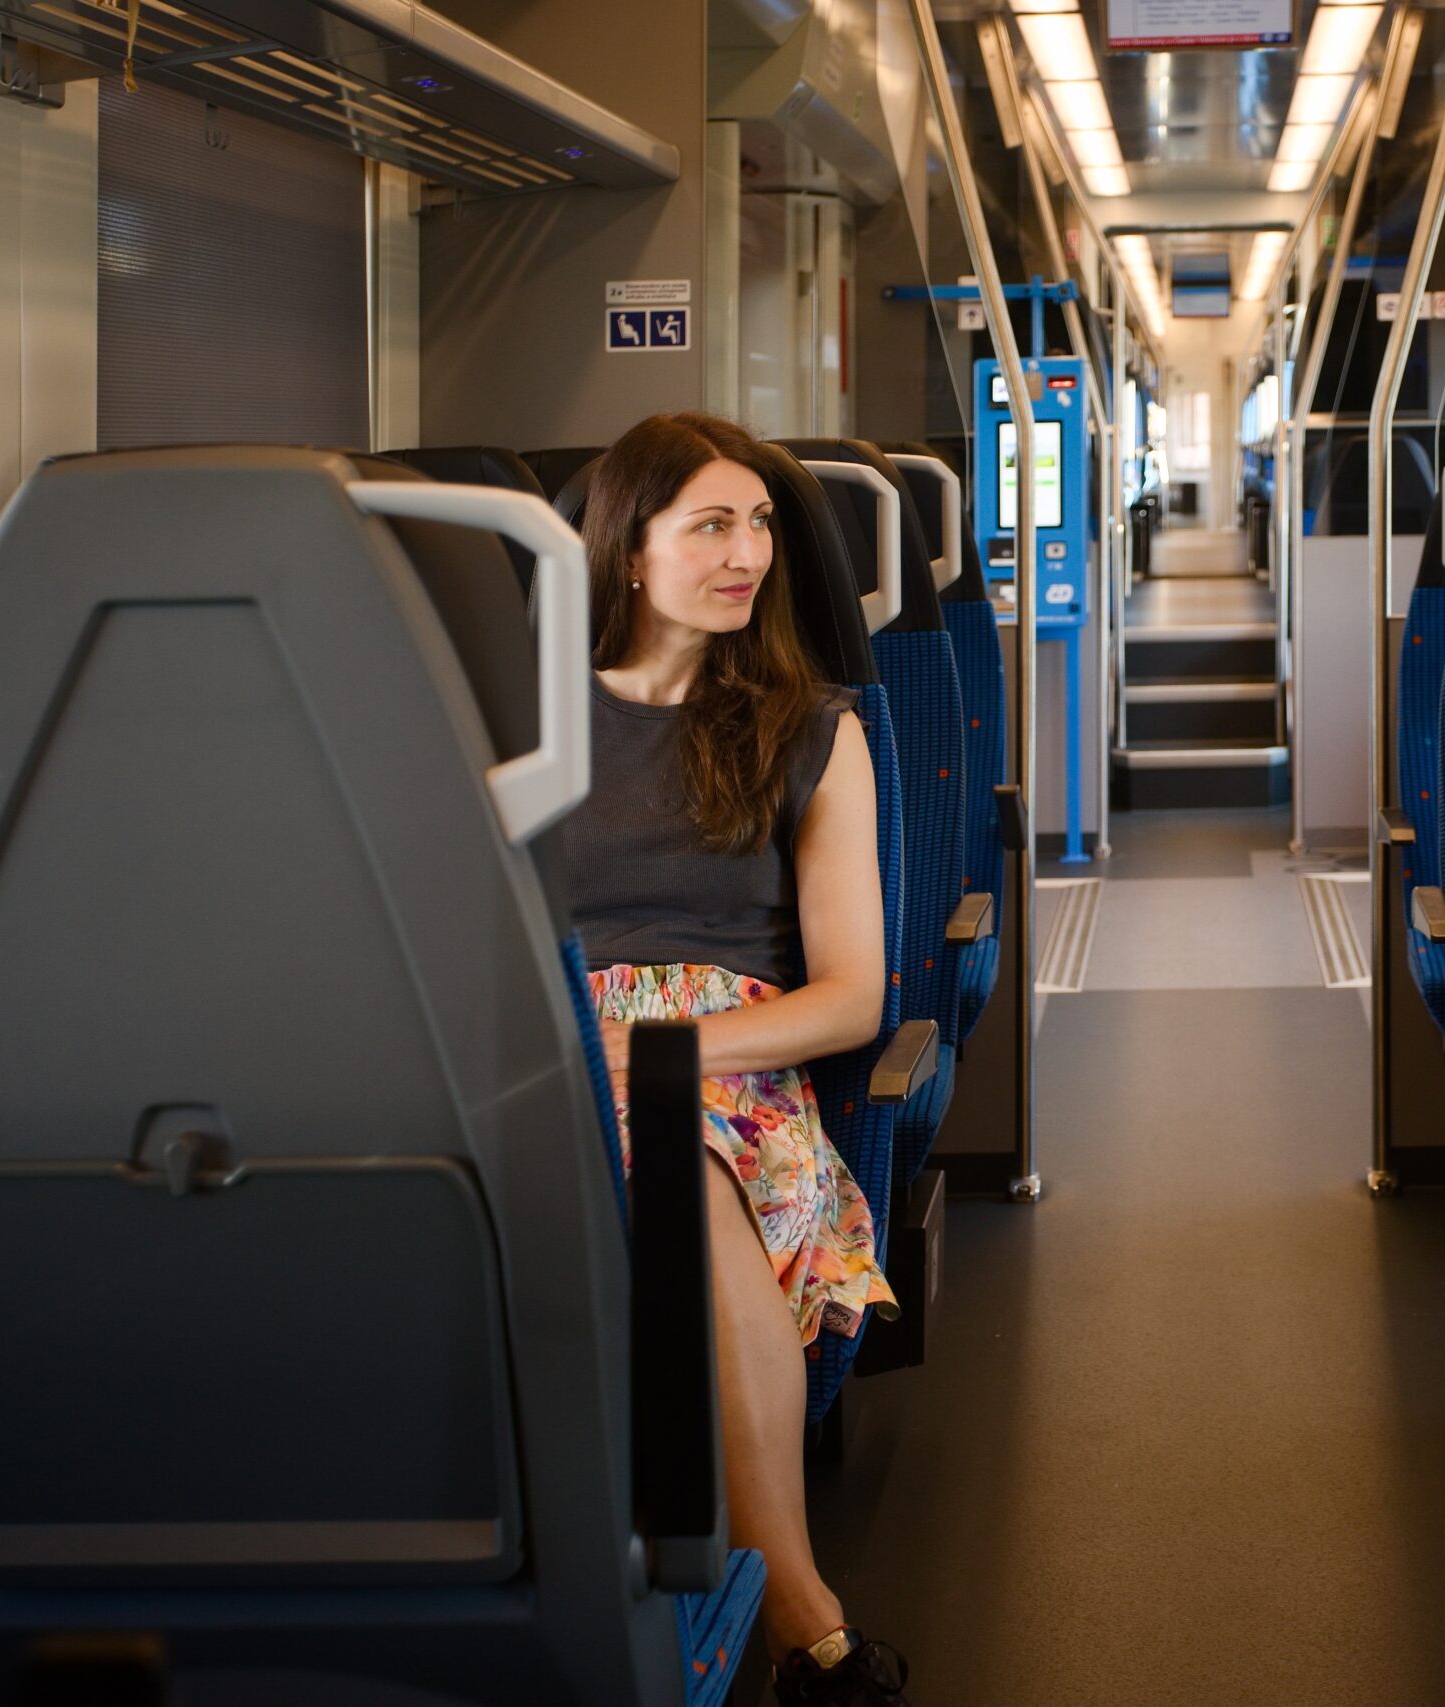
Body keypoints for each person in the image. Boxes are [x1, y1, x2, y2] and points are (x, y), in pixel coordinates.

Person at [561, 412, 910, 1707]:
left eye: (762, 522)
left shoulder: (812, 729)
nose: (751, 550)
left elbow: (852, 996)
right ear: (628, 546)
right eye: (712, 521)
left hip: (730, 1067)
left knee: (676, 1159)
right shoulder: (522, 725)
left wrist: (656, 1045)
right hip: (543, 1049)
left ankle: (800, 1620)